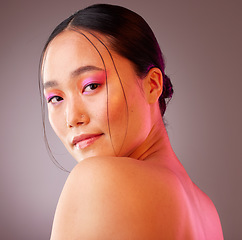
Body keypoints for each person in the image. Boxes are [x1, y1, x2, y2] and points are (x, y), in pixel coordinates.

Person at [39, 4, 224, 239]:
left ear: (152, 85)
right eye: (55, 98)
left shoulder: (97, 179)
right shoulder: (208, 212)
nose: (72, 118)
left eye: (91, 86)